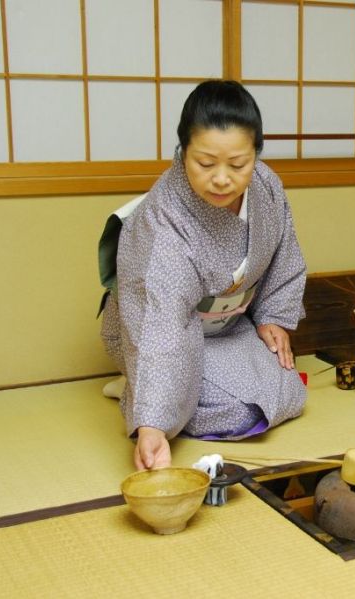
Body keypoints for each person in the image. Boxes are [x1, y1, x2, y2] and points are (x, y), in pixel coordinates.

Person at [98, 80, 307, 471]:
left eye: (239, 164)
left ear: (256, 155)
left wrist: (273, 316)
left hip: (228, 327)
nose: (222, 178)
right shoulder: (164, 223)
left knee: (287, 392)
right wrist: (153, 425)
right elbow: (158, 322)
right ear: (182, 152)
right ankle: (138, 393)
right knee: (231, 409)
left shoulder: (267, 186)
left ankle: (143, 393)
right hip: (161, 334)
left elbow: (284, 251)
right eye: (206, 163)